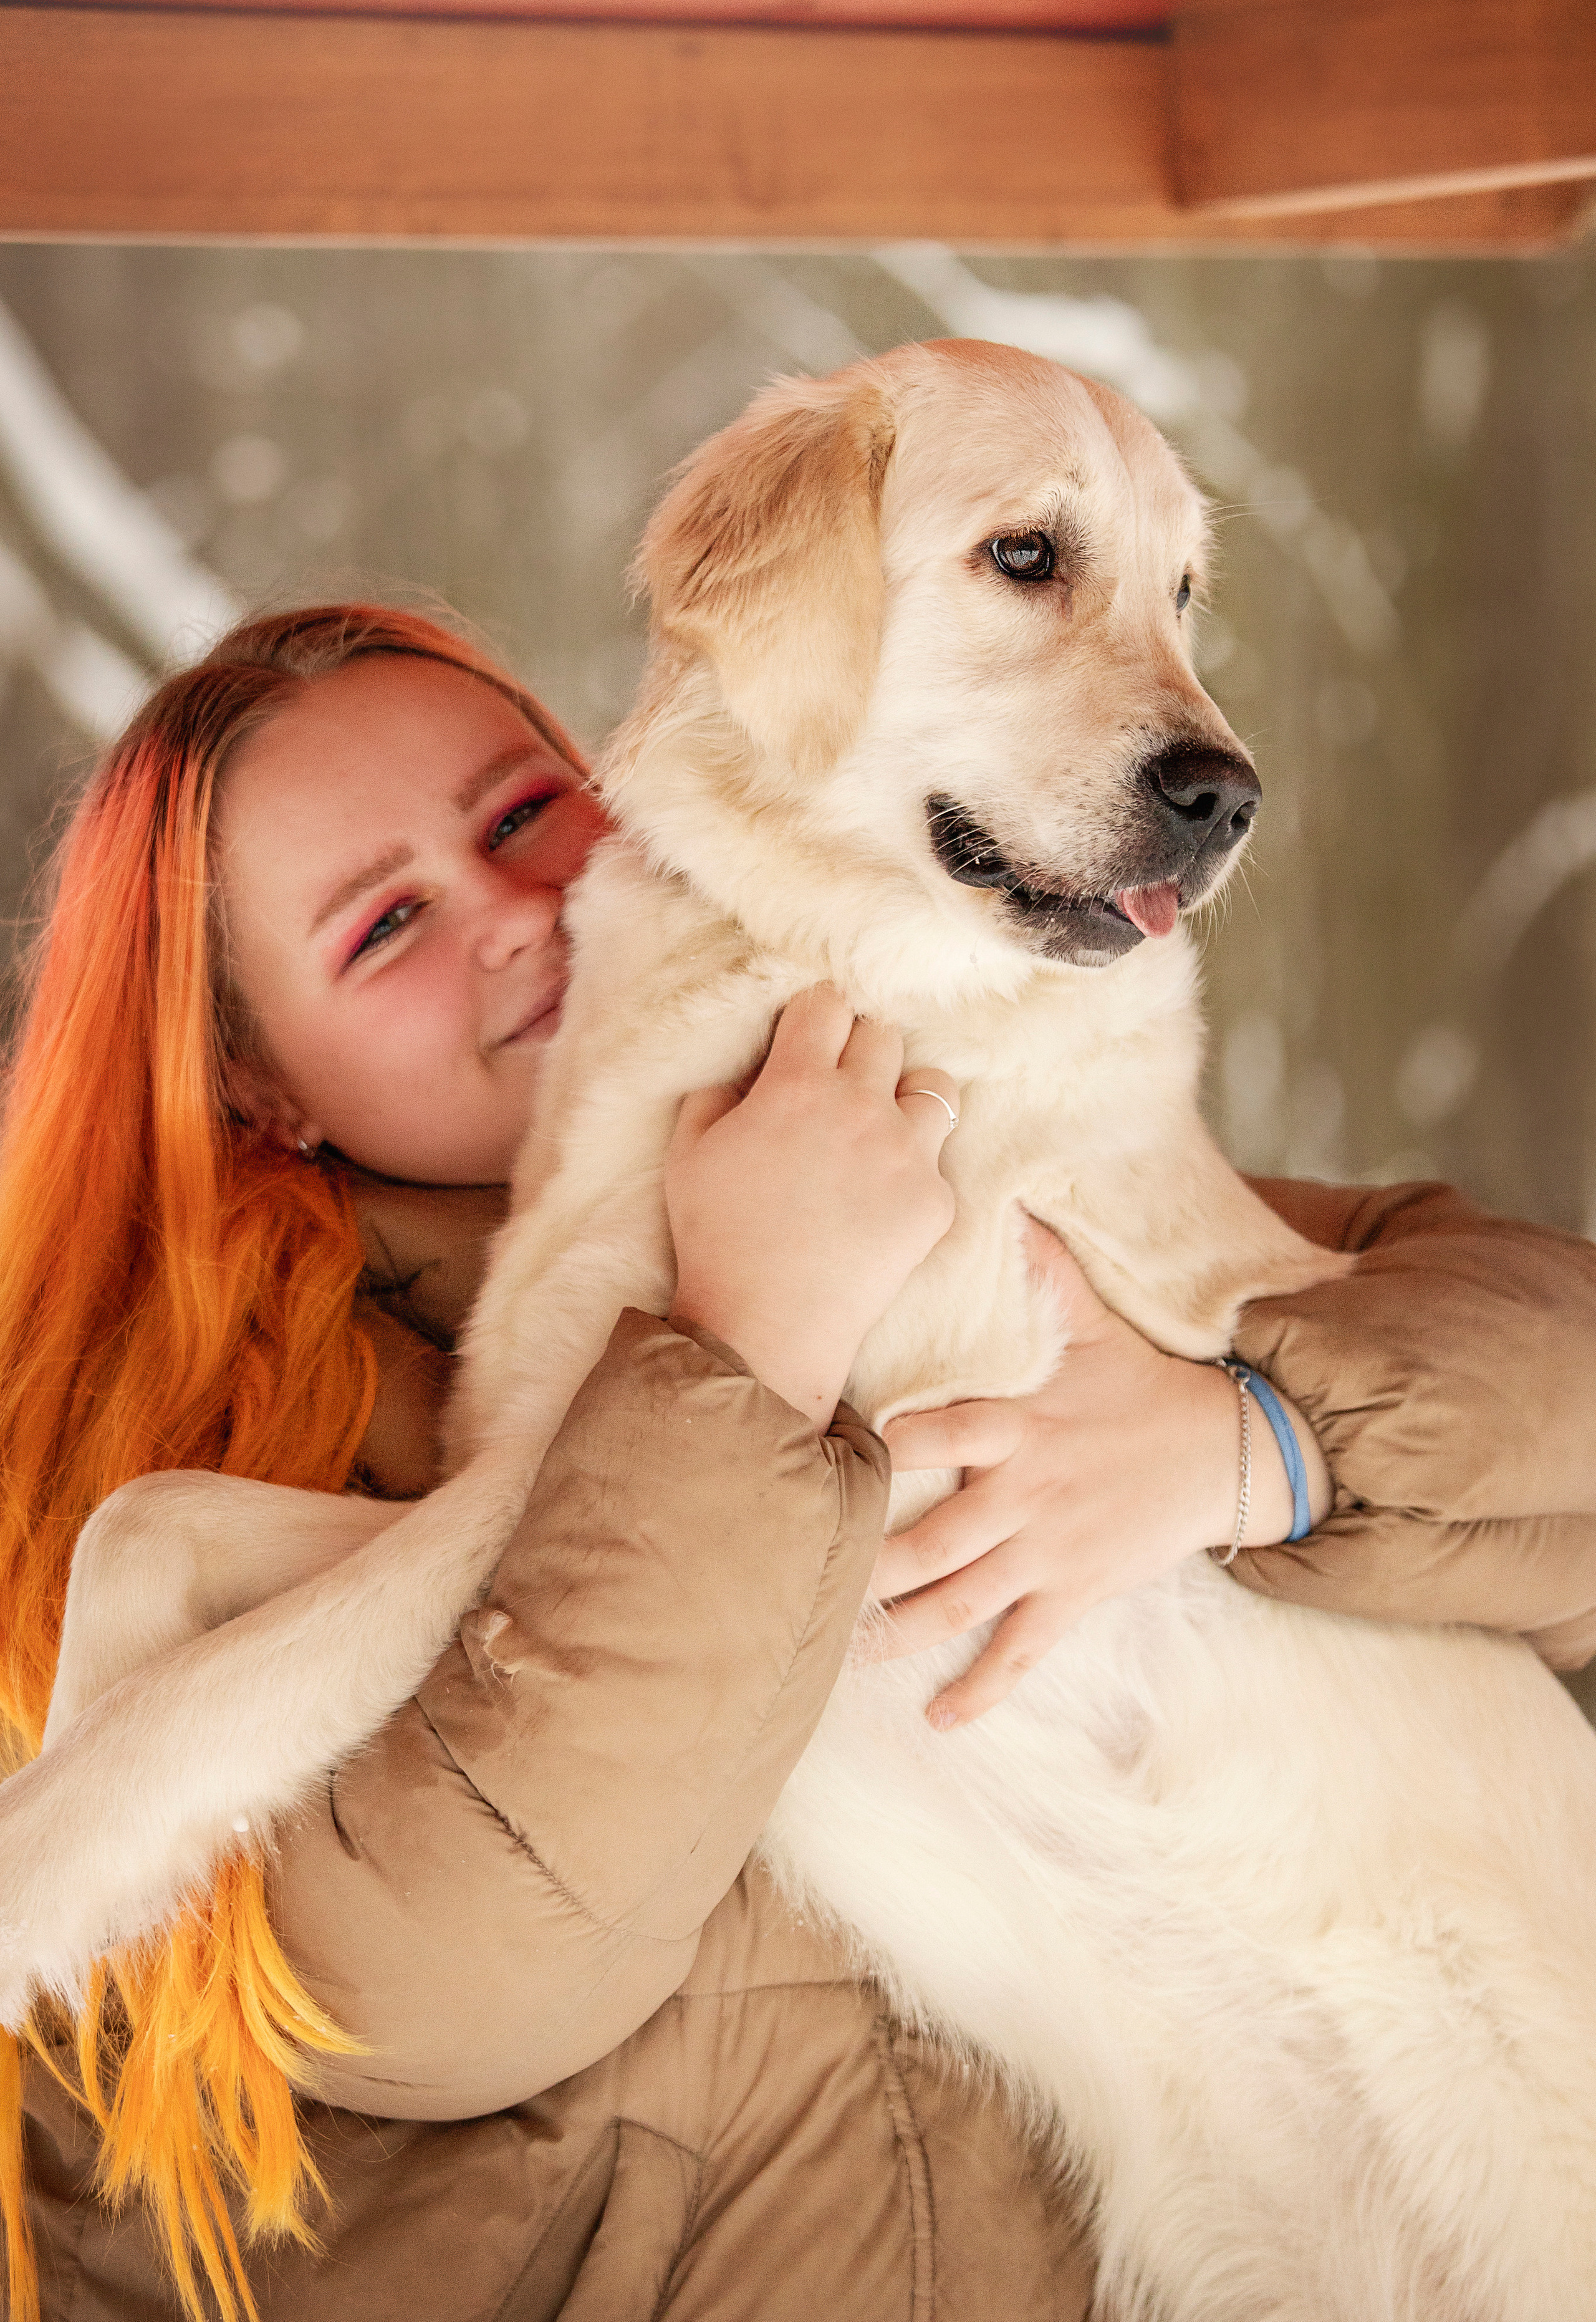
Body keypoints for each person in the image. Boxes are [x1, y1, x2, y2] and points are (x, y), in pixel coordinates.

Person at [4, 605, 1594, 2322]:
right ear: (264, 1090)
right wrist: (744, 1339)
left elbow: (1546, 1372)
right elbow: (442, 1975)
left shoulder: (916, 1076)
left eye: (525, 816)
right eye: (390, 924)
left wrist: (1249, 1446)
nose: (523, 918)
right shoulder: (226, 1441)